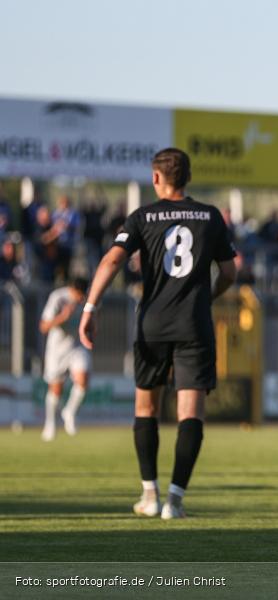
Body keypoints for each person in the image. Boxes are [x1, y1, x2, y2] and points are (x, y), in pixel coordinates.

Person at [79, 148, 236, 520]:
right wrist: (206, 297)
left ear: (155, 178)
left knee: (145, 407)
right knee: (190, 413)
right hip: (193, 325)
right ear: (188, 178)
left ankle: (149, 495)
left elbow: (112, 260)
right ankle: (175, 501)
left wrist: (90, 307)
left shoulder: (142, 217)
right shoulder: (210, 216)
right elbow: (229, 273)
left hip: (152, 324)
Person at [39, 277, 92, 441]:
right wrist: (63, 317)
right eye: (79, 295)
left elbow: (92, 316)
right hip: (57, 348)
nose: (81, 298)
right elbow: (43, 326)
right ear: (72, 289)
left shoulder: (86, 299)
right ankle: (50, 424)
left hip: (76, 345)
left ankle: (69, 412)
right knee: (56, 389)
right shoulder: (57, 297)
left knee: (83, 380)